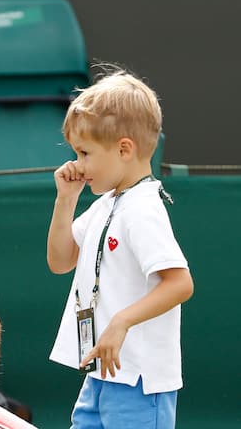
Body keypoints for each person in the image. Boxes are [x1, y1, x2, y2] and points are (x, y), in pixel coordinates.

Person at [46, 69, 194, 428]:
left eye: (84, 152)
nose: (77, 164)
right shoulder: (107, 203)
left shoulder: (142, 210)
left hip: (140, 380)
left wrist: (121, 322)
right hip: (102, 373)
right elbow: (60, 261)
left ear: (124, 149)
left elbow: (180, 284)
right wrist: (65, 201)